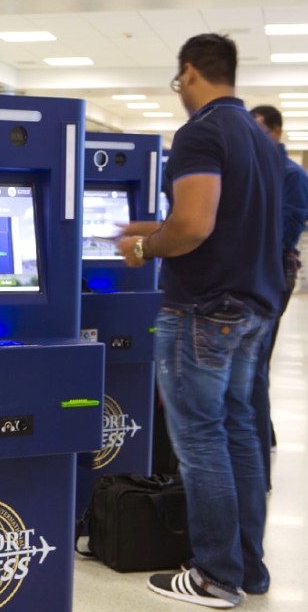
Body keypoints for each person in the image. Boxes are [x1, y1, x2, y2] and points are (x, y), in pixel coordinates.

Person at [116, 33, 286, 608]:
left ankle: (214, 576)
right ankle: (248, 568)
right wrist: (156, 229)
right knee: (239, 435)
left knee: (201, 441)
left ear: (189, 72)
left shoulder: (201, 132)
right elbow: (228, 222)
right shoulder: (261, 141)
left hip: (203, 310)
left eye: (178, 80)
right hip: (252, 309)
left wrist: (145, 248)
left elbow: (193, 226)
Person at [248, 104, 308, 489]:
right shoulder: (257, 171)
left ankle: (258, 463)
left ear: (276, 131)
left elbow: (286, 230)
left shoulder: (291, 175)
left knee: (255, 366)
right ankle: (263, 434)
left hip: (272, 276)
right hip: (253, 275)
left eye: (259, 131)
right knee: (253, 367)